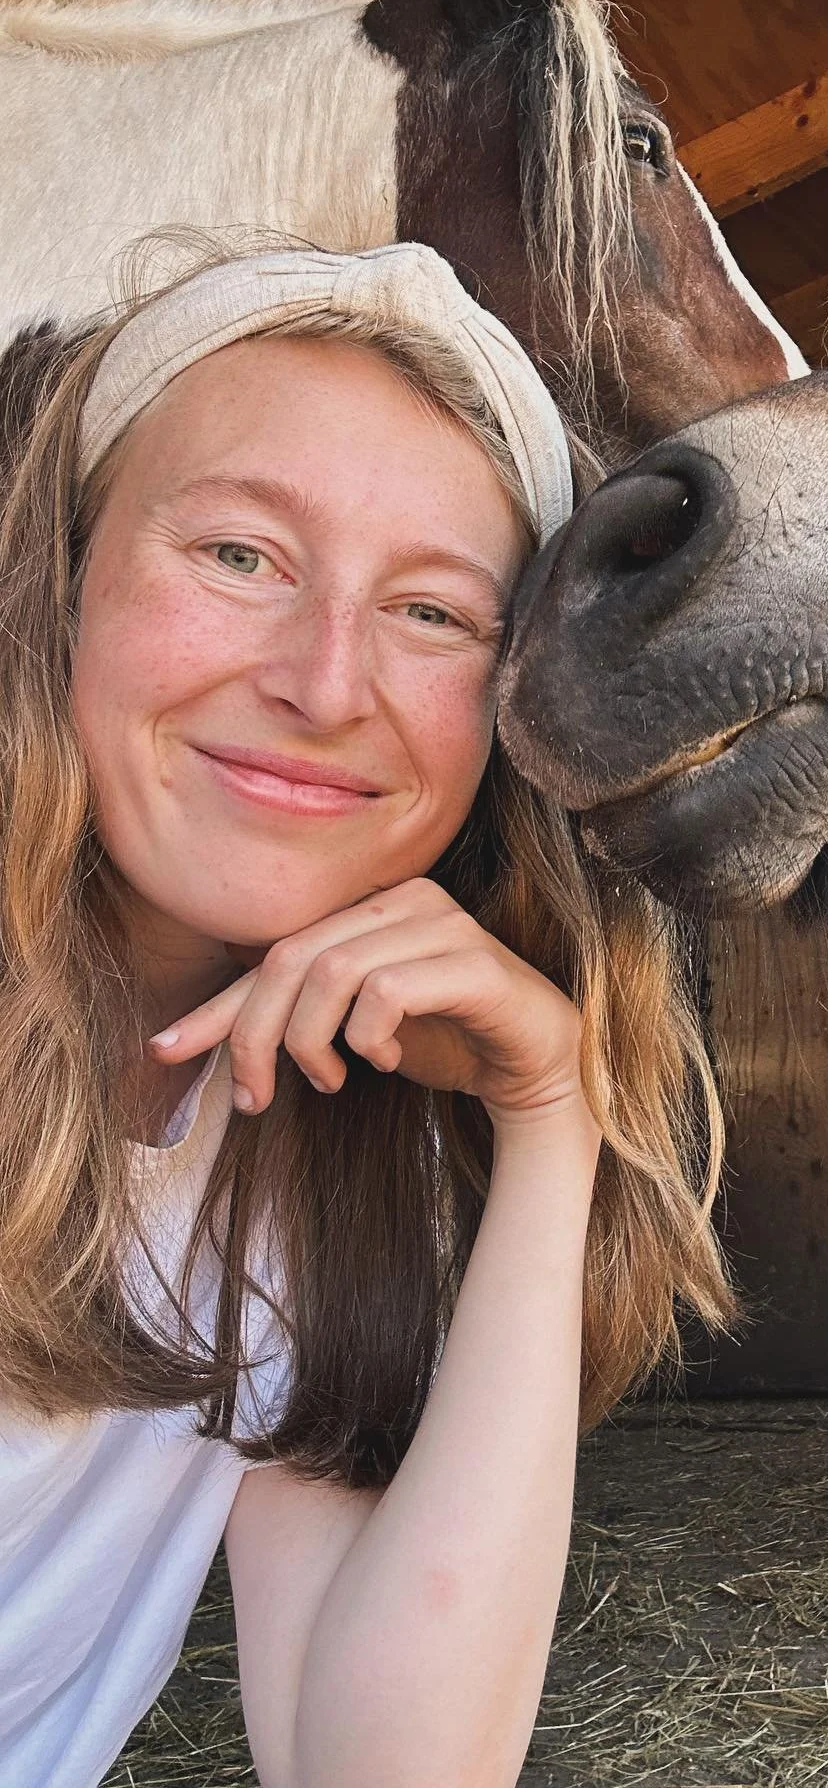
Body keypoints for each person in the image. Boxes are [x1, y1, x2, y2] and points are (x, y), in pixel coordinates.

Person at [0, 243, 732, 1788]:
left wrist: (552, 1118)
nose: (327, 684)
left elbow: (384, 1769)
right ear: (57, 582)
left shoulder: (328, 1145)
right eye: (240, 557)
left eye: (429, 613)